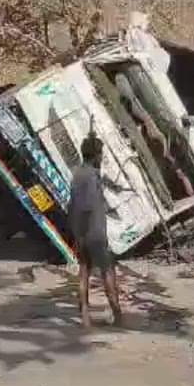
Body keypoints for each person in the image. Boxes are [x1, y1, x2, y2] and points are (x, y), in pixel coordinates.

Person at [69, 135, 124, 329]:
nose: (102, 157)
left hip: (80, 232)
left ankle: (85, 317)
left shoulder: (76, 174)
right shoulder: (92, 175)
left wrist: (77, 232)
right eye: (101, 154)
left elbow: (73, 205)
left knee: (84, 271)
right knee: (107, 271)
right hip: (95, 231)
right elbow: (88, 204)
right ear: (96, 155)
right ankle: (117, 314)